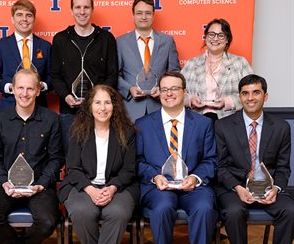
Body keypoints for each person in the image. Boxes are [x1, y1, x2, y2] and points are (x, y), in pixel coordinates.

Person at [0, 69, 64, 244]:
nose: (24, 94)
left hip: (40, 187)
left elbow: (56, 158)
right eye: (20, 88)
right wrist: (4, 182)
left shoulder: (52, 120)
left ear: (38, 90)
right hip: (7, 185)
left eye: (30, 89)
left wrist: (41, 185)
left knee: (48, 221)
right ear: (12, 89)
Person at [136, 72, 218, 244]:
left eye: (174, 88)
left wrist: (195, 178)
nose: (169, 93)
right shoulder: (142, 124)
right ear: (158, 92)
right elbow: (137, 160)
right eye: (164, 89)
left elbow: (211, 159)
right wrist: (155, 176)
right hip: (159, 187)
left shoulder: (203, 124)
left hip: (194, 187)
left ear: (185, 92)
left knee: (204, 208)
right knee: (162, 207)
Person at [214, 74, 294, 244]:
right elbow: (219, 166)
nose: (250, 98)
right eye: (245, 93)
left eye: (256, 92)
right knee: (234, 212)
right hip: (235, 187)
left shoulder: (281, 127)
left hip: (268, 187)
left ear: (265, 96)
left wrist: (276, 189)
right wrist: (237, 188)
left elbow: (283, 167)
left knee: (290, 210)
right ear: (239, 97)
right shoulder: (223, 126)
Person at [58, 85, 139, 244]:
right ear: (89, 106)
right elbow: (73, 169)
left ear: (114, 106)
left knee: (117, 212)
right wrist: (90, 189)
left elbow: (129, 169)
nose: (103, 108)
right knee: (82, 211)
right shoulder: (78, 131)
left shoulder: (127, 132)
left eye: (107, 103)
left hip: (118, 186)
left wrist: (112, 188)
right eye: (97, 102)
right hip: (82, 185)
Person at [51, 0, 118, 151]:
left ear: (92, 9)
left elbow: (112, 75)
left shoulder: (106, 38)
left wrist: (96, 100)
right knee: (71, 157)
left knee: (99, 156)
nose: (82, 12)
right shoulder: (60, 39)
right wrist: (66, 96)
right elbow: (55, 75)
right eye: (78, 7)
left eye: (86, 7)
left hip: (99, 111)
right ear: (71, 10)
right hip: (69, 111)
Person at [117, 0, 180, 122]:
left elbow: (175, 73)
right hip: (131, 110)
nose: (144, 17)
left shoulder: (167, 41)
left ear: (153, 15)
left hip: (160, 107)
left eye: (148, 13)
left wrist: (162, 89)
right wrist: (129, 89)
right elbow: (115, 75)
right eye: (139, 13)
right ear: (133, 15)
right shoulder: (120, 42)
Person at [181, 18, 253, 122]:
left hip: (229, 120)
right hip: (195, 120)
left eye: (221, 35)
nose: (215, 39)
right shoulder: (191, 64)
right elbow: (178, 92)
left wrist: (228, 101)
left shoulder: (240, 63)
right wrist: (190, 100)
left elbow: (251, 93)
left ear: (227, 39)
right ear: (205, 37)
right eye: (211, 34)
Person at [0, 0, 51, 110]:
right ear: (12, 19)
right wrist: (10, 87)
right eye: (19, 15)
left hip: (39, 107)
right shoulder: (1, 46)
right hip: (9, 107)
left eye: (29, 15)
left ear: (34, 20)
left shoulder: (45, 46)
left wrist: (42, 86)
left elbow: (52, 76)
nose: (24, 19)